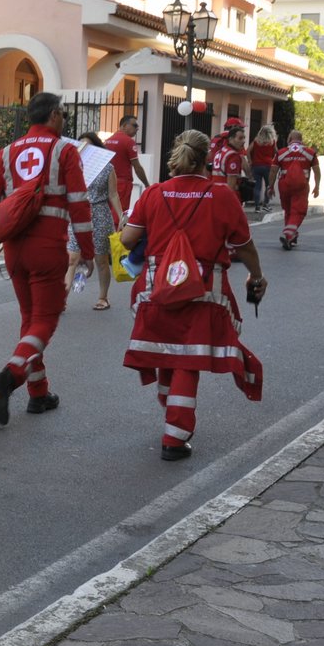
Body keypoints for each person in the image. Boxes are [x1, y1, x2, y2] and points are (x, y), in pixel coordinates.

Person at [120, 130, 266, 461]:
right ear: (207, 160)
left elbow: (128, 241)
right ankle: (174, 436)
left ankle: (172, 412)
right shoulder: (222, 196)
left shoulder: (154, 193)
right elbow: (245, 247)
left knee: (171, 352)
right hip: (204, 290)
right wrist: (257, 277)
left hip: (157, 289)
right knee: (187, 357)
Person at [0, 92, 94, 424]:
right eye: (63, 114)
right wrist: (87, 252)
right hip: (47, 246)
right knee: (46, 318)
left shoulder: (6, 152)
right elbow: (79, 204)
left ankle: (38, 393)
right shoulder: (64, 150)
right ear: (54, 115)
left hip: (14, 248)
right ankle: (11, 376)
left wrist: (19, 199)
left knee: (30, 319)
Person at [63, 132, 124, 311]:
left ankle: (103, 297)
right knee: (72, 258)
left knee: (101, 258)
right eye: (80, 145)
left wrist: (121, 217)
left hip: (99, 213)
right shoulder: (71, 166)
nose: (83, 149)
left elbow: (113, 194)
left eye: (88, 145)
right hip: (76, 213)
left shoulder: (107, 167)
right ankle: (62, 299)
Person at [274, 130, 320, 249]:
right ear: (301, 139)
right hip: (301, 185)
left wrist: (270, 186)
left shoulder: (281, 152)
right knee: (298, 211)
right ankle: (288, 233)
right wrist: (317, 186)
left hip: (284, 185)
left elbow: (273, 170)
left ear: (289, 139)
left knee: (288, 211)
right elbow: (316, 170)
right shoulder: (310, 153)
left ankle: (292, 236)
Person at [101, 113, 150, 216]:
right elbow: (137, 167)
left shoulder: (107, 141)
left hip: (107, 182)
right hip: (122, 185)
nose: (137, 129)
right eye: (134, 125)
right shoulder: (128, 142)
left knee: (108, 213)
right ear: (124, 126)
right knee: (119, 214)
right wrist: (146, 184)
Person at [210, 118, 249, 196]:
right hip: (229, 183)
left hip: (214, 183)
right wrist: (250, 177)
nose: (242, 129)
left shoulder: (215, 138)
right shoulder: (235, 140)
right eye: (240, 127)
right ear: (233, 127)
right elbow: (243, 160)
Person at [249, 124, 278, 210]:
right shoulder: (272, 142)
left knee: (257, 186)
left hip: (256, 166)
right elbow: (277, 153)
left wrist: (250, 161)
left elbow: (248, 151)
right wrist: (275, 161)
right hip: (268, 166)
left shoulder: (256, 141)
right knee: (268, 185)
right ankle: (266, 204)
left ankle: (257, 206)